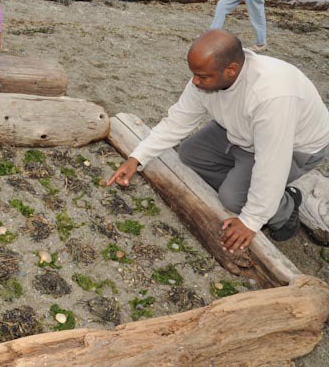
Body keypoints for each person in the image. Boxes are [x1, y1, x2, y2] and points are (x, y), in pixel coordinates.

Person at [107, 29, 329, 253]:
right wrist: (137, 157)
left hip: (295, 148)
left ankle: (285, 206)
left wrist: (251, 220)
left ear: (231, 70)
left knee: (232, 198)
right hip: (242, 132)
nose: (195, 81)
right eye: (194, 73)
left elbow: (272, 163)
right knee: (189, 153)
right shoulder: (209, 74)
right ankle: (249, 181)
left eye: (202, 76)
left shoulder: (271, 95)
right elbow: (177, 120)